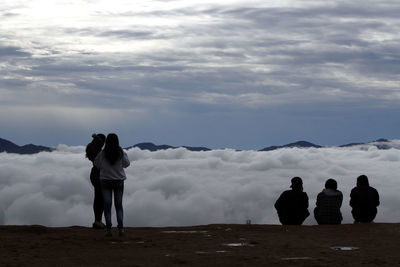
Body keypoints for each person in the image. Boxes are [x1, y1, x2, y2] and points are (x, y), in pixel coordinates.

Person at [94, 133, 130, 236]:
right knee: (118, 206)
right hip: (119, 181)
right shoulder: (120, 152)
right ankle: (121, 229)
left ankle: (109, 230)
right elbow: (126, 164)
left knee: (107, 206)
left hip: (105, 181)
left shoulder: (102, 153)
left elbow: (97, 164)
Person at [86, 133, 106, 229]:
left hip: (94, 174)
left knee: (98, 197)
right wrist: (95, 136)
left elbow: (98, 141)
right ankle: (98, 221)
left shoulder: (90, 149)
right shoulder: (98, 151)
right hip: (99, 174)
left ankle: (97, 220)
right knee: (100, 199)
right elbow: (99, 141)